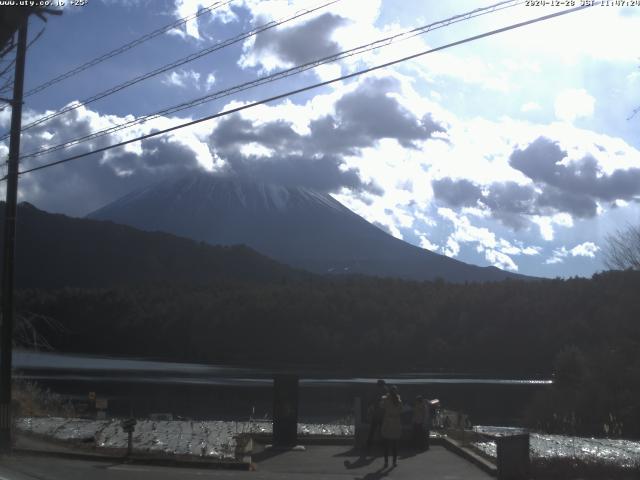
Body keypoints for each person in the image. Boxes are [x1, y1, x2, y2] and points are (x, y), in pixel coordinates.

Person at [381, 385, 403, 468]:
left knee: (386, 445)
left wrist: (384, 397)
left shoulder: (386, 399)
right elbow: (401, 410)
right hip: (396, 424)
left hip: (387, 423)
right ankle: (394, 462)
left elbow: (381, 406)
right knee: (395, 445)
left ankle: (386, 462)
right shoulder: (399, 400)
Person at [366, 379, 388, 451]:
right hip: (382, 414)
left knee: (372, 430)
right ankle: (384, 445)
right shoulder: (385, 391)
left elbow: (371, 401)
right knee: (383, 431)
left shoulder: (374, 391)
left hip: (375, 414)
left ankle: (368, 445)